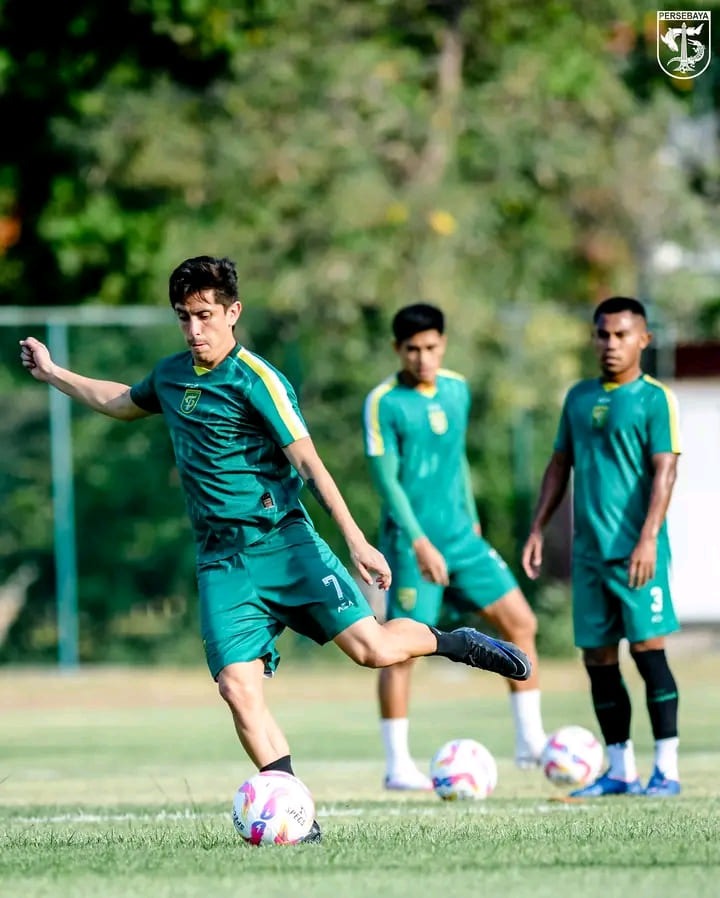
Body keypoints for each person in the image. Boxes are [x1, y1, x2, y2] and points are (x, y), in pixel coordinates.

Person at [20, 256, 532, 840]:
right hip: (222, 561)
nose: (194, 330)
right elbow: (119, 402)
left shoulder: (256, 379)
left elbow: (309, 463)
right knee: (237, 687)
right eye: (184, 317)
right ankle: (295, 812)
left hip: (286, 544)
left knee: (374, 651)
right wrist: (56, 373)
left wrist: (357, 540)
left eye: (205, 316)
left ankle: (454, 642)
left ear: (233, 313)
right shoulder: (171, 375)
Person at [363, 303, 546, 791]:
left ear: (442, 344)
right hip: (410, 545)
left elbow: (457, 459)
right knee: (402, 651)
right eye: (413, 349)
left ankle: (531, 743)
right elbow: (387, 483)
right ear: (397, 350)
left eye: (431, 347)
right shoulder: (383, 401)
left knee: (521, 623)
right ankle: (397, 765)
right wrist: (420, 543)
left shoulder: (458, 389)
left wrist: (473, 516)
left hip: (464, 540)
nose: (423, 357)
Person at [522, 295, 682, 798]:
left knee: (648, 652)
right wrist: (537, 528)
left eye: (621, 335)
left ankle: (667, 770)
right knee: (598, 659)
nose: (610, 344)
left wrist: (648, 538)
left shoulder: (655, 399)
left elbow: (666, 470)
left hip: (639, 553)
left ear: (644, 339)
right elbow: (558, 465)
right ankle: (620, 771)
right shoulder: (578, 397)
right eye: (603, 335)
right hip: (590, 555)